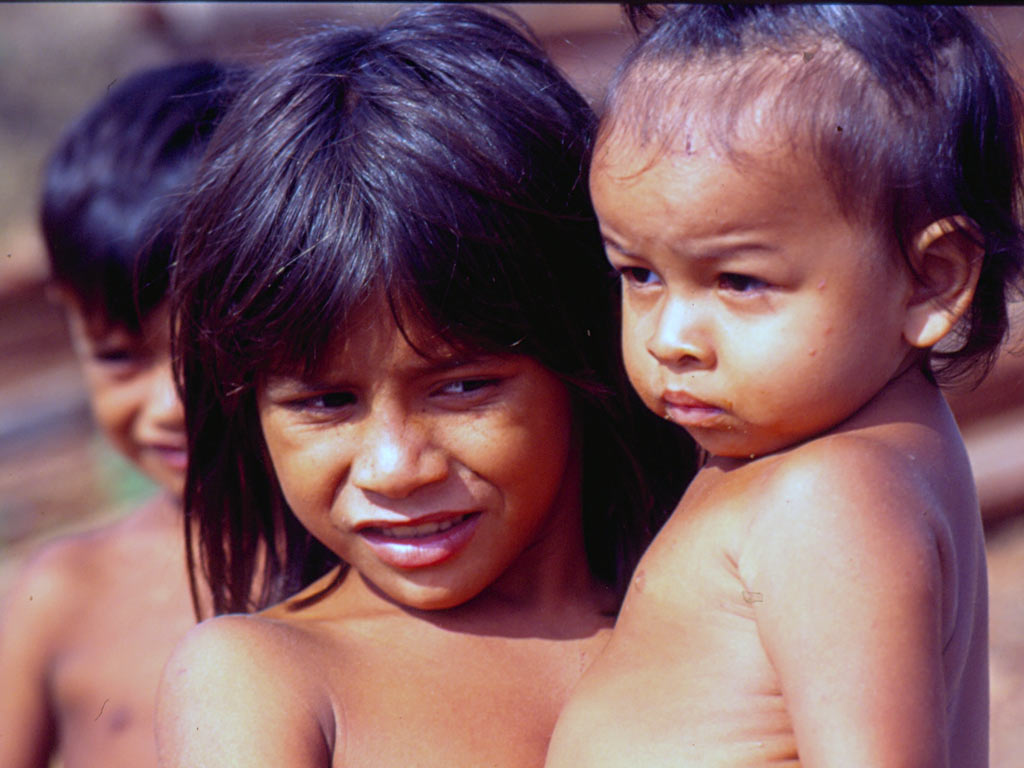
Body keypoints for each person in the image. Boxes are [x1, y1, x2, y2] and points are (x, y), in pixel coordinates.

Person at [155, 6, 692, 768]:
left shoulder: (722, 620)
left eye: (465, 386)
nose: (394, 468)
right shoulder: (267, 681)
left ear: (587, 347)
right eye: (324, 402)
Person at [544, 5, 1024, 767]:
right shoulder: (863, 449)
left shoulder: (829, 497)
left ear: (932, 283)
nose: (670, 339)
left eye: (739, 281)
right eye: (638, 273)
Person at [0, 61, 238, 768]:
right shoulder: (68, 595)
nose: (170, 407)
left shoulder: (386, 578)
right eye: (117, 358)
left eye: (210, 356)